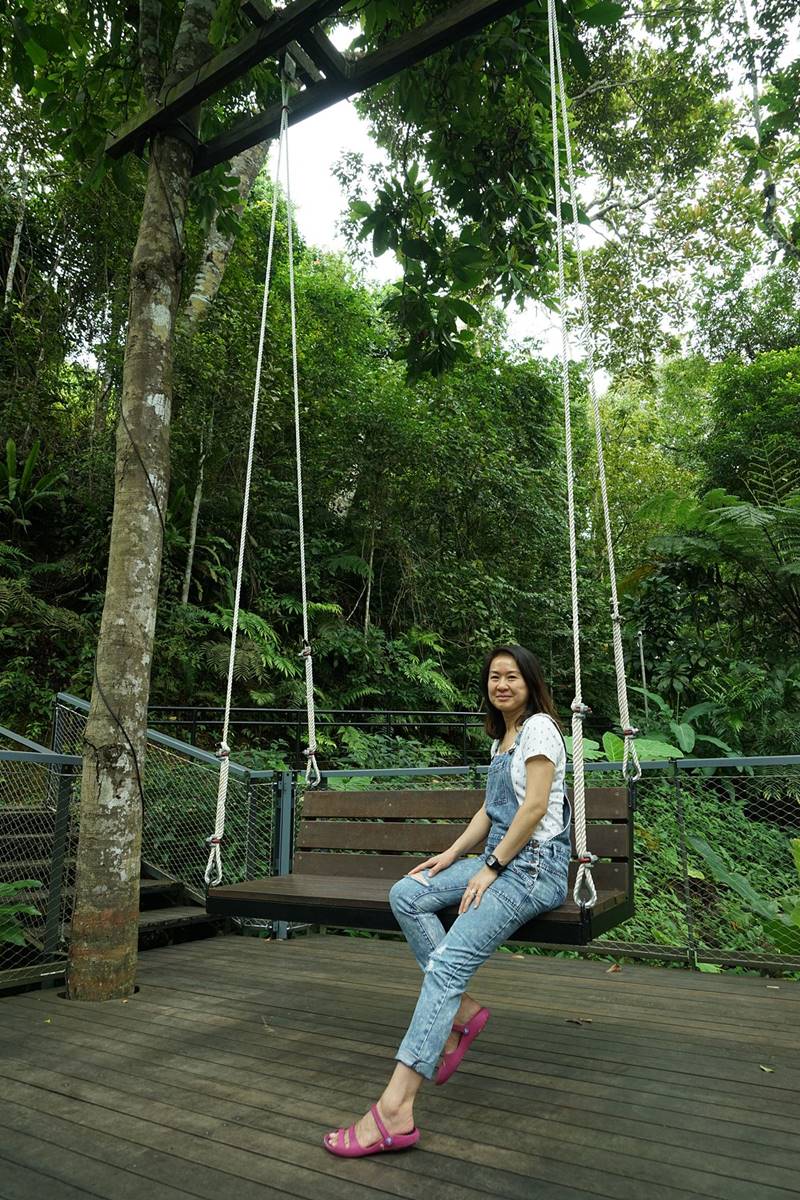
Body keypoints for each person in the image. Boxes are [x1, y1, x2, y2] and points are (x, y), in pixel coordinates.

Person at [323, 643, 572, 1158]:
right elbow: (490, 810)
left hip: (533, 868)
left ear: (530, 682)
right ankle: (462, 1009)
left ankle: (395, 1110)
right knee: (408, 893)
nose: (502, 684)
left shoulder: (541, 729)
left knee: (447, 966)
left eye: (512, 676)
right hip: (502, 856)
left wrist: (490, 868)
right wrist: (453, 854)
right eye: (494, 677)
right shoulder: (503, 737)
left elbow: (534, 809)